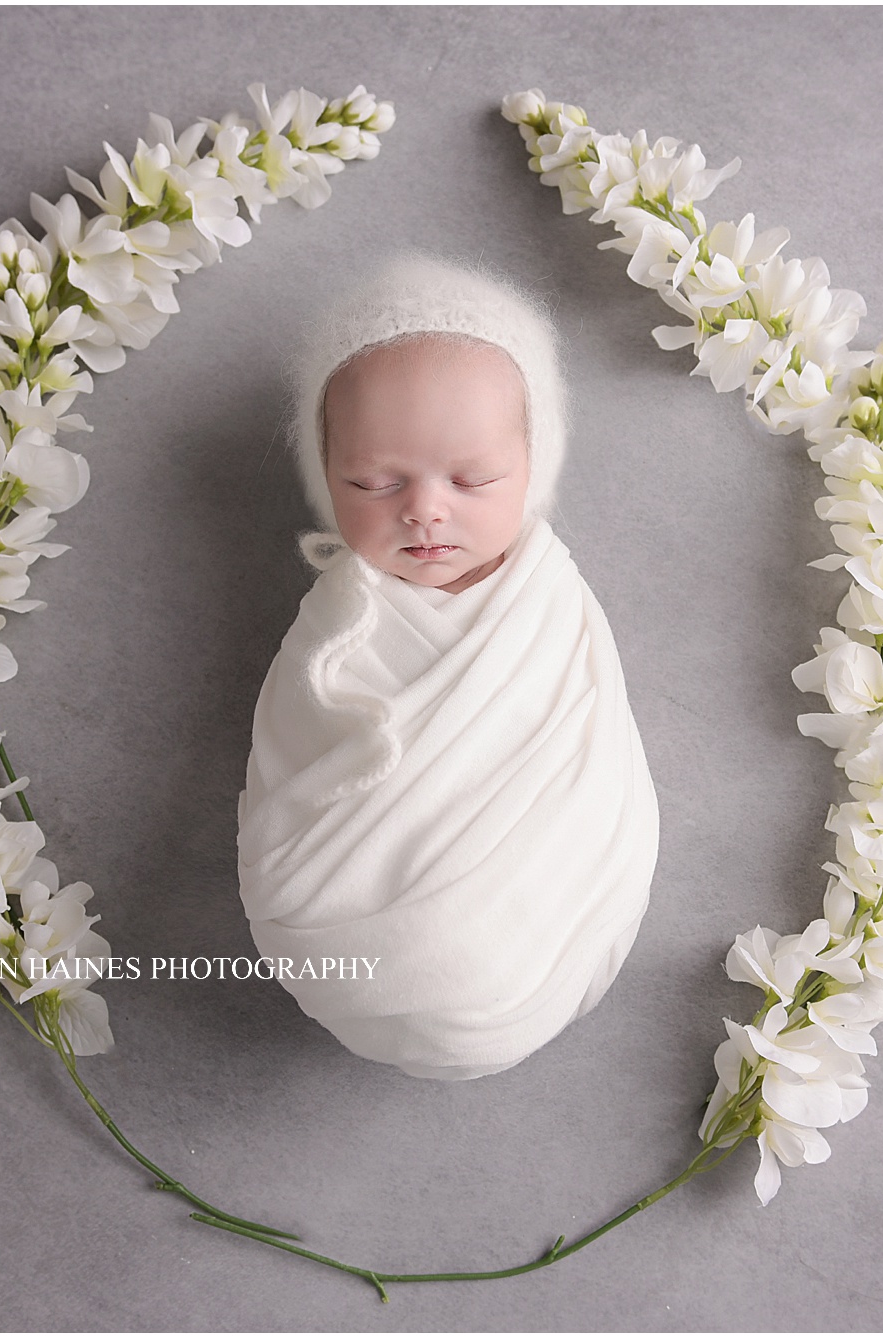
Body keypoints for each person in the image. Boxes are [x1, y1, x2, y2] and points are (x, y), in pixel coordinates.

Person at [236, 254, 659, 1080]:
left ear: (534, 467)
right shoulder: (330, 634)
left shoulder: (553, 611)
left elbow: (591, 765)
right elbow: (291, 775)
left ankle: (471, 960)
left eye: (474, 479)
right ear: (325, 482)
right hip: (346, 955)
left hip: (539, 944)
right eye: (374, 481)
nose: (425, 509)